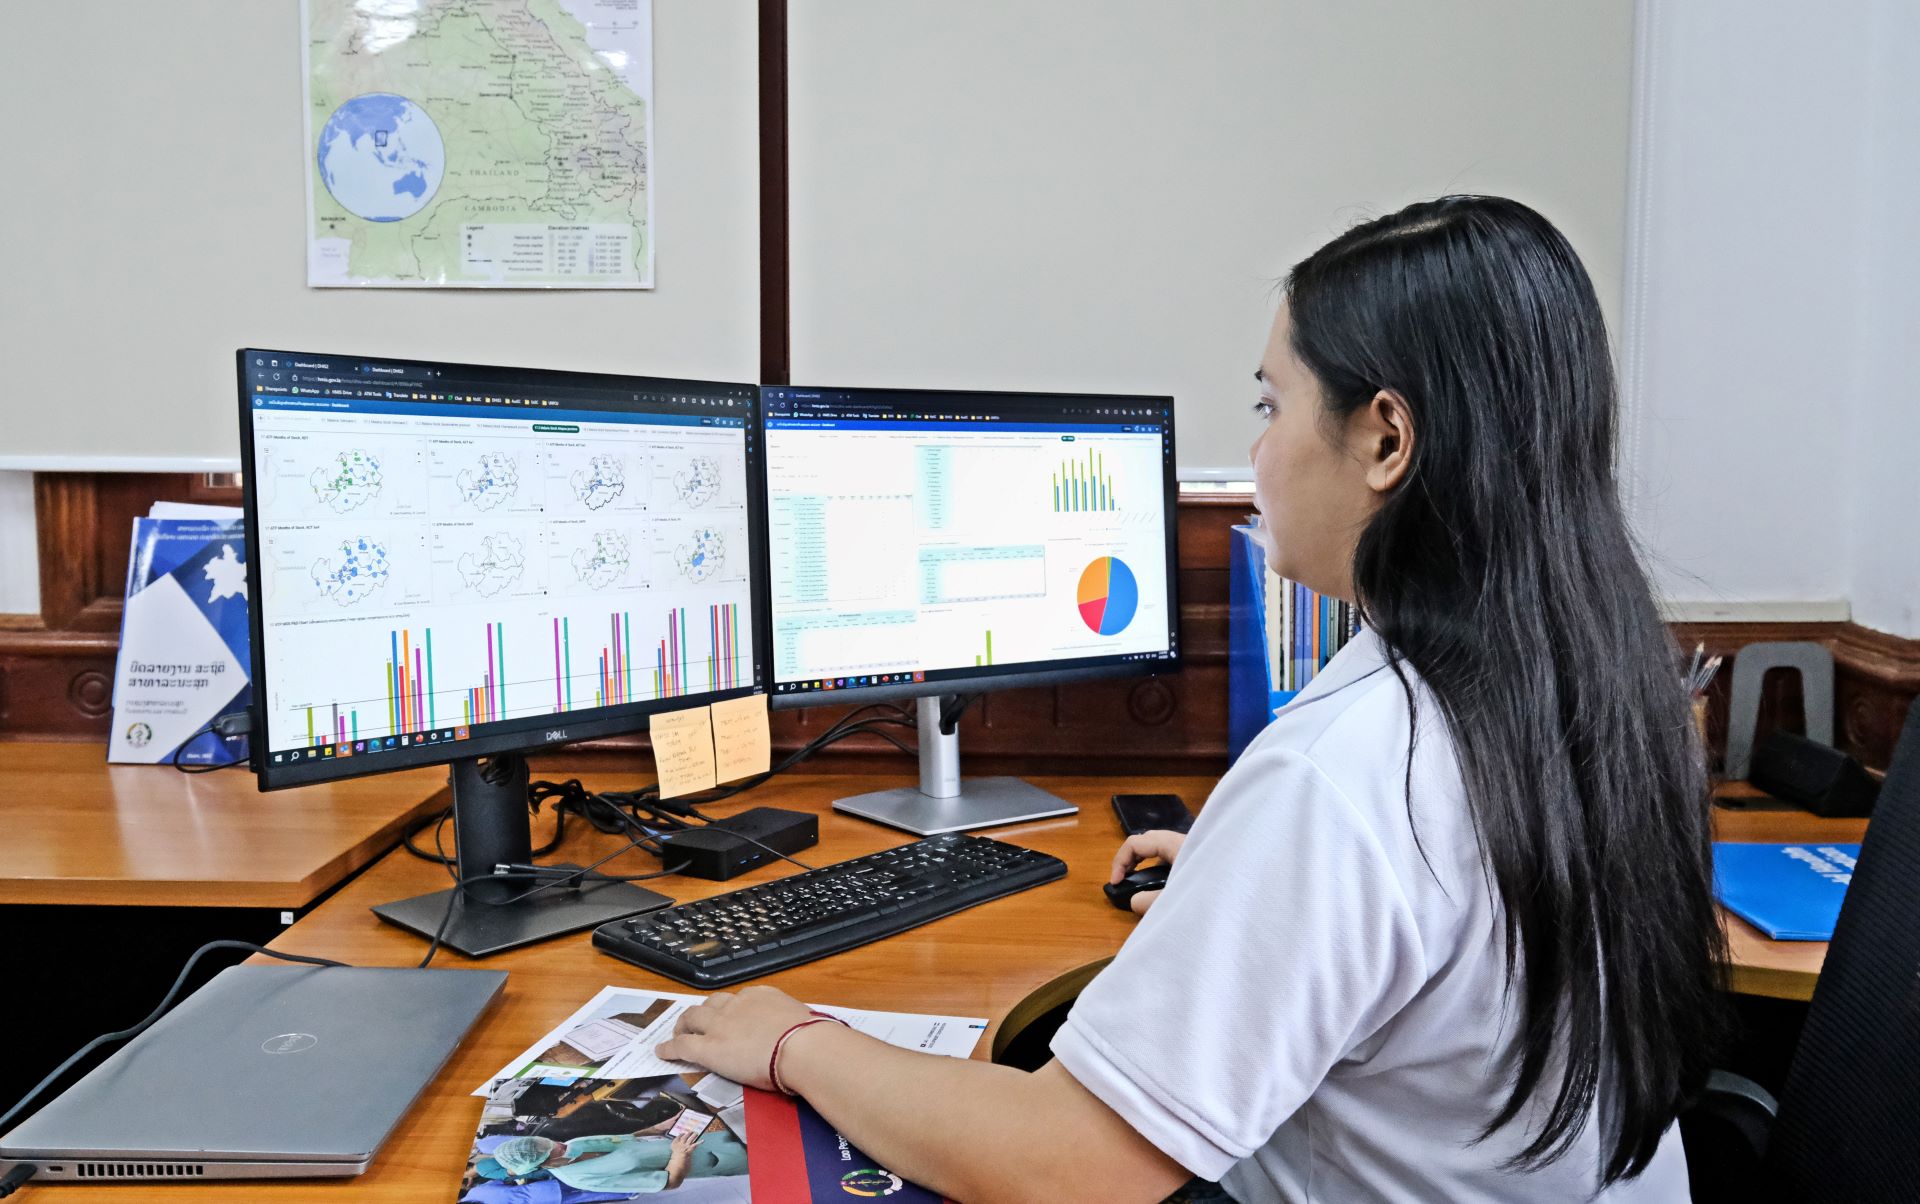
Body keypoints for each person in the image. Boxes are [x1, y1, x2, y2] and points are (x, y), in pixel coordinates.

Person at [657, 195, 1725, 1202]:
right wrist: (1239, 888)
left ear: (1385, 438)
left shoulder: (1349, 773)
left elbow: (1072, 1167)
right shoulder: (1611, 696)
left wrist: (796, 1043)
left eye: (1273, 404)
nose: (1258, 451)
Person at [487, 1130, 747, 1194]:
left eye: (547, 1141)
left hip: (708, 1136)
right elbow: (670, 1182)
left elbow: (630, 1138)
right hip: (713, 1160)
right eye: (548, 1151)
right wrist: (681, 1154)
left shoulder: (576, 1143)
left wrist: (666, 1125)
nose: (557, 1145)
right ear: (542, 1165)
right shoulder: (581, 1178)